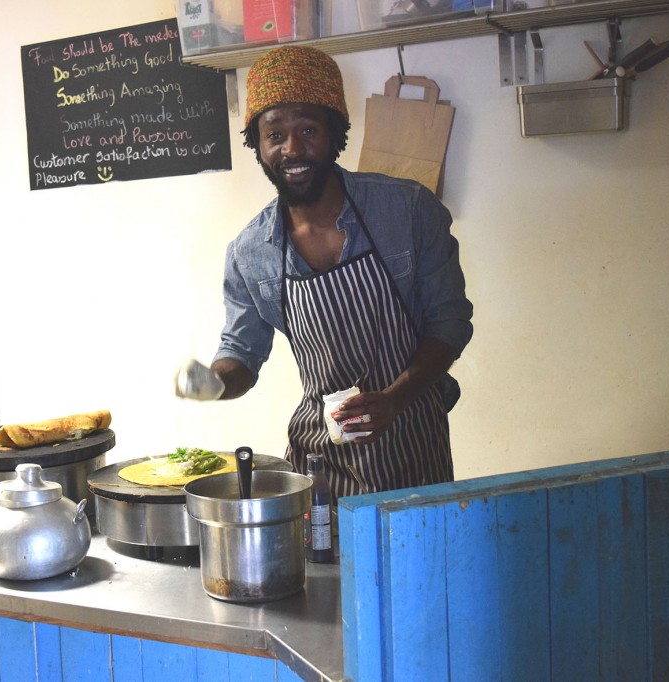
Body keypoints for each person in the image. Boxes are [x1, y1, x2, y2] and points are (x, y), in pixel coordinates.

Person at [175, 45, 473, 500]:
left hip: (415, 443)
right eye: (275, 134)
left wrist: (394, 399)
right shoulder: (250, 252)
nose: (292, 149)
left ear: (335, 133)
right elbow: (242, 352)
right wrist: (216, 383)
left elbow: (450, 324)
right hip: (319, 461)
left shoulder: (407, 209)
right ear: (258, 144)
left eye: (308, 130)